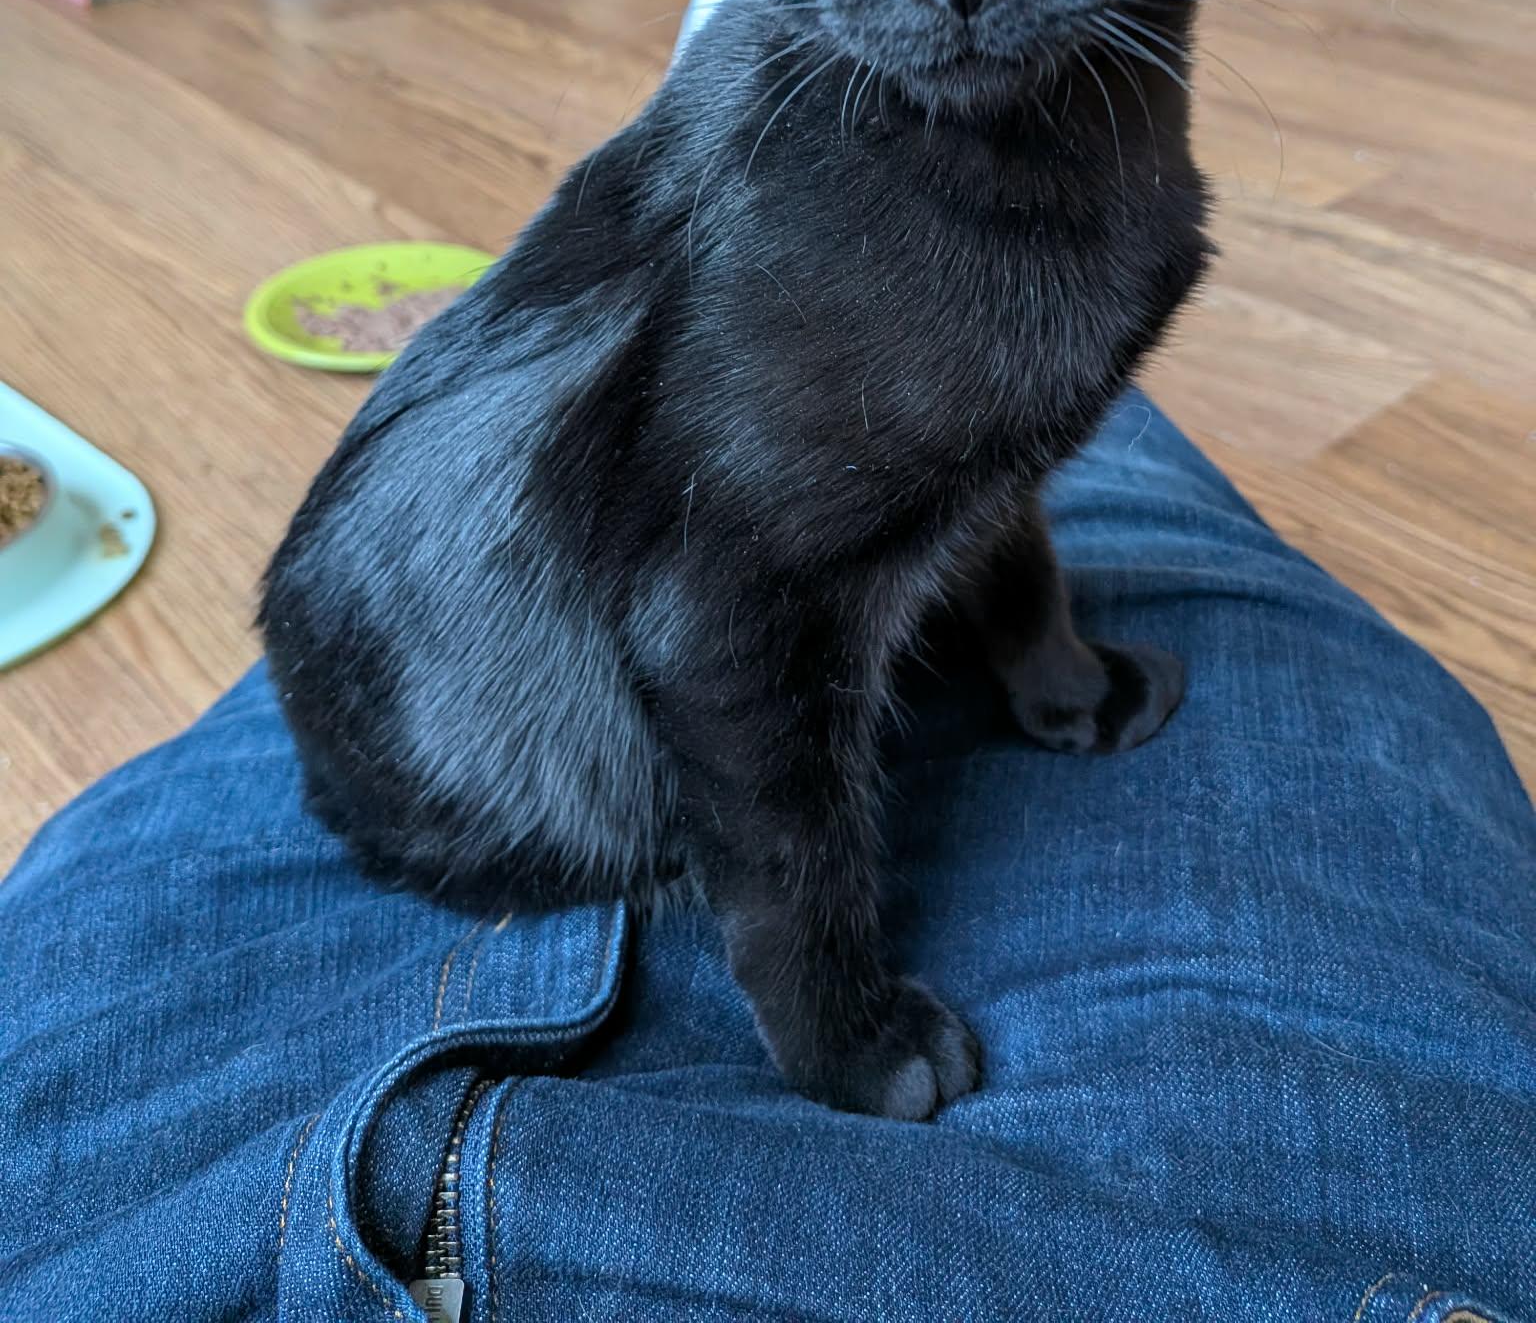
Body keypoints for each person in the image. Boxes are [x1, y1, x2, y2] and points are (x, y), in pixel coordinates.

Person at [2, 392, 1531, 1320]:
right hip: (1211, 1218)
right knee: (1061, 409)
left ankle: (752, 127)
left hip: (187, 1098)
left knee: (519, 432)